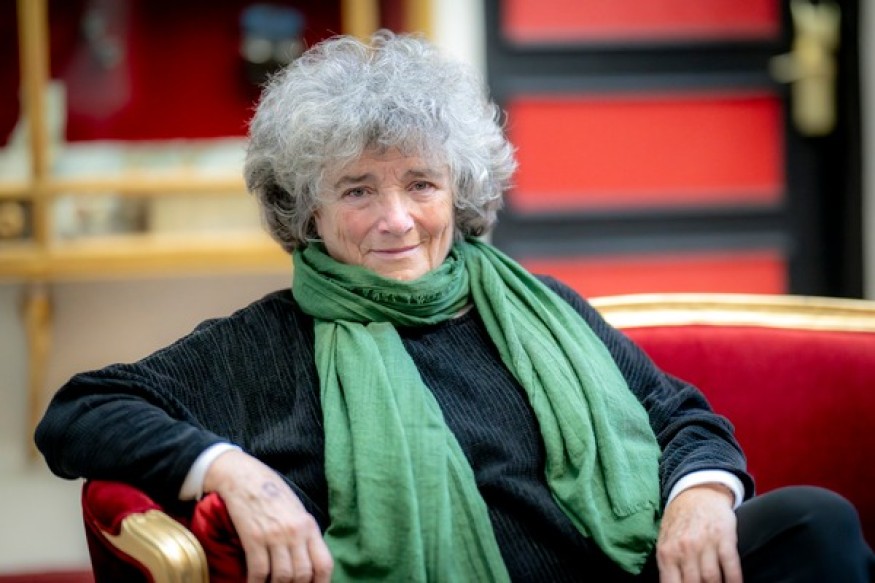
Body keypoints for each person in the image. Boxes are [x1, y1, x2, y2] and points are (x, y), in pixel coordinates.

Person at [36, 31, 873, 583]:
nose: (396, 219)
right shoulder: (266, 344)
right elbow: (81, 410)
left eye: (420, 184)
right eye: (357, 190)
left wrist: (698, 496)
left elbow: (680, 415)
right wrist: (231, 468)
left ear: (459, 192)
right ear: (307, 210)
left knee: (811, 523)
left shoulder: (538, 307)